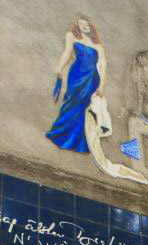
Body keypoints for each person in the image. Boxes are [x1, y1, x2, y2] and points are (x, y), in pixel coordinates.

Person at [45, 14, 106, 153]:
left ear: (90, 26)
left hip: (91, 77)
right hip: (77, 73)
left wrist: (101, 85)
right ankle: (60, 133)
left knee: (83, 106)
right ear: (77, 26)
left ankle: (79, 141)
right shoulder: (71, 36)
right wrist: (60, 67)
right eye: (81, 24)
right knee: (71, 101)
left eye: (86, 24)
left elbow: (102, 65)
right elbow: (67, 52)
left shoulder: (98, 46)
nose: (84, 26)